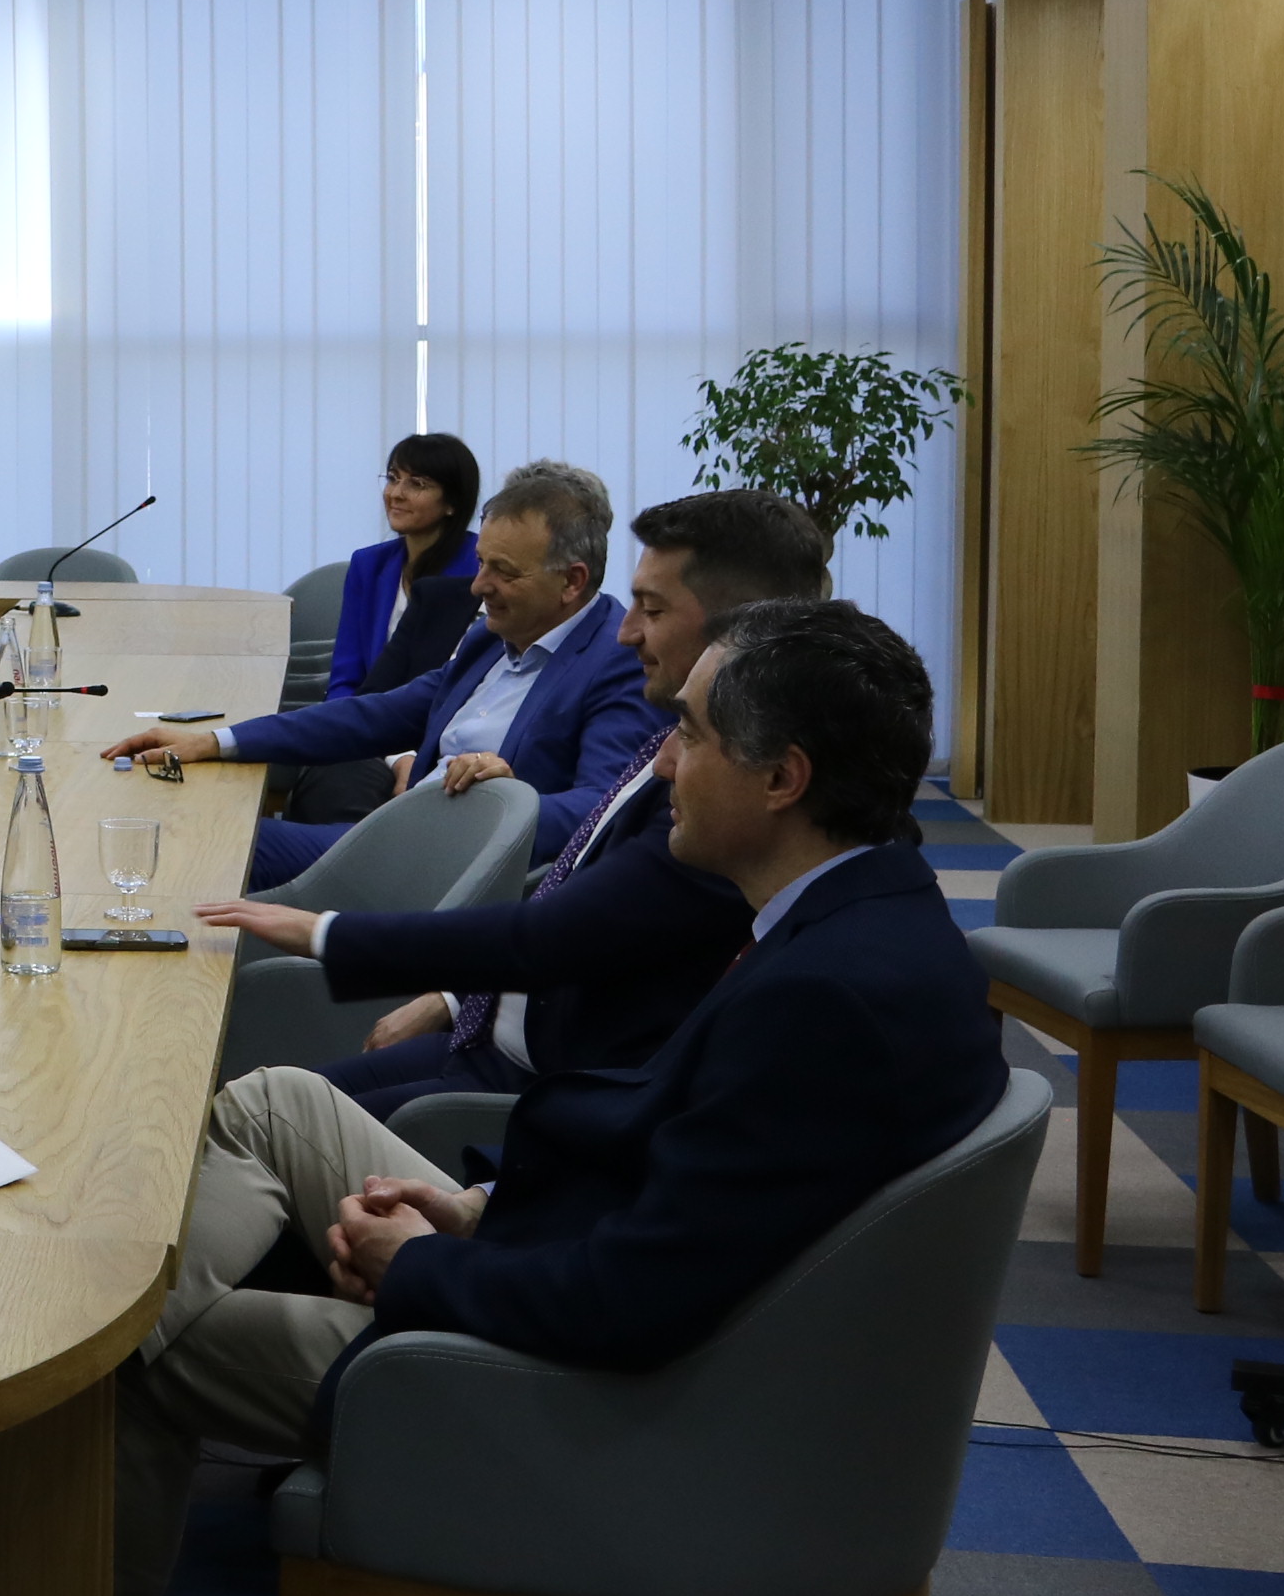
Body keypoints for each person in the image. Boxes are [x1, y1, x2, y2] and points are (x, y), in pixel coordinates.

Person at [112, 600, 1007, 1596]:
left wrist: (419, 1265)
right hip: (579, 1263)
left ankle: (104, 1355)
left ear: (782, 778)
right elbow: (701, 1188)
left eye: (691, 734)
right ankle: (128, 1307)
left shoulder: (827, 1002)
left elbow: (632, 1303)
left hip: (576, 1398)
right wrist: (481, 1209)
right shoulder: (869, 915)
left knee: (138, 1357)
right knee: (277, 1101)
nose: (663, 762)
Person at [197, 490, 831, 1118]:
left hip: (535, 1084)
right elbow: (381, 715)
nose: (628, 630)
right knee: (243, 1106)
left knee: (247, 1117)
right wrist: (219, 741)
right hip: (480, 1027)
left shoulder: (721, 805)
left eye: (654, 608)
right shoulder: (505, 649)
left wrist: (323, 931)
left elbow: (575, 917)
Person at [107, 460, 658, 887]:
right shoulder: (492, 638)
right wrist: (216, 741)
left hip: (453, 874)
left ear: (572, 581)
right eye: (481, 562)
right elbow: (373, 715)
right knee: (186, 828)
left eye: (503, 572)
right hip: (398, 836)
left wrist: (505, 801)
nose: (478, 585)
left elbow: (606, 807)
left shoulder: (616, 660)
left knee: (210, 846)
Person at [288, 434, 484, 824]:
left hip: (446, 741)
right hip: (373, 732)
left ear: (452, 503)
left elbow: (465, 687)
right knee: (334, 781)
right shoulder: (369, 566)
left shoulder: (481, 567)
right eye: (393, 478)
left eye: (417, 484)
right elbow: (346, 679)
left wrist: (409, 755)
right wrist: (362, 738)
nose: (396, 493)